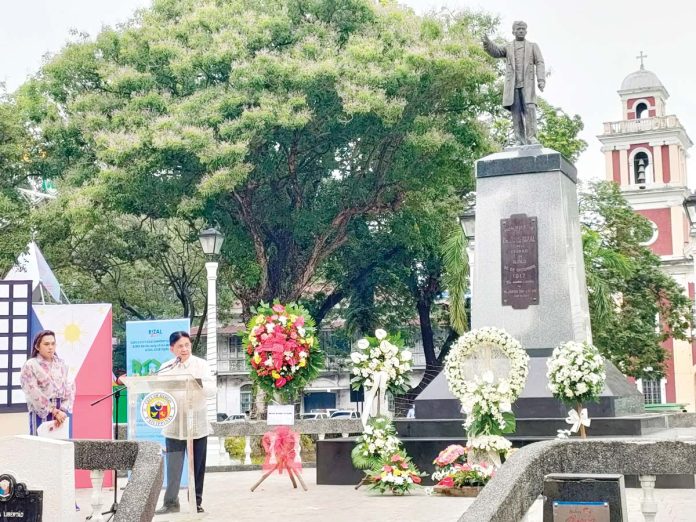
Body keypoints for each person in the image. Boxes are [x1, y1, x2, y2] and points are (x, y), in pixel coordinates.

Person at [155, 331, 216, 515]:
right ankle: (171, 502)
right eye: (180, 346)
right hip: (174, 423)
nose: (184, 349)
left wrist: (195, 382)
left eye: (187, 345)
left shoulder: (201, 365)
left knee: (197, 466)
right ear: (172, 349)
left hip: (196, 423)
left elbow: (212, 390)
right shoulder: (166, 367)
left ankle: (195, 503)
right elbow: (159, 392)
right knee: (173, 465)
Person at [483, 21, 546, 145]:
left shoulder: (533, 46)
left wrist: (541, 79)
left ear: (526, 31)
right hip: (512, 85)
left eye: (523, 28)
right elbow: (496, 51)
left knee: (530, 109)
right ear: (513, 31)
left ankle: (531, 137)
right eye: (518, 29)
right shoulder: (508, 47)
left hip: (527, 85)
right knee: (516, 112)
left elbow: (540, 62)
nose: (521, 30)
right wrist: (487, 43)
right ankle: (519, 139)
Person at [20, 330, 75, 436]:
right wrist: (54, 410)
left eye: (53, 343)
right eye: (46, 344)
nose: (50, 347)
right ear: (37, 346)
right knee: (40, 447)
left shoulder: (61, 364)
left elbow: (70, 386)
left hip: (61, 413)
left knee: (60, 447)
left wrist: (62, 409)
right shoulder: (31, 365)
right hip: (41, 411)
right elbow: (32, 392)